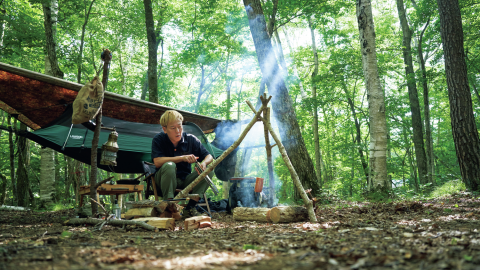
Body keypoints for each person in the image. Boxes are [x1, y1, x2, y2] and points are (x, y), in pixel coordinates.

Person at [151, 110, 214, 218]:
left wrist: (203, 164)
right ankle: (169, 207)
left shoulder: (191, 139)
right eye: (173, 128)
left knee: (209, 170)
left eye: (179, 126)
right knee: (169, 165)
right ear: (164, 129)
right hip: (164, 183)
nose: (178, 131)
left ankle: (190, 208)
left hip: (186, 181)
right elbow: (157, 162)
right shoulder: (158, 139)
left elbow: (209, 156)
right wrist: (182, 158)